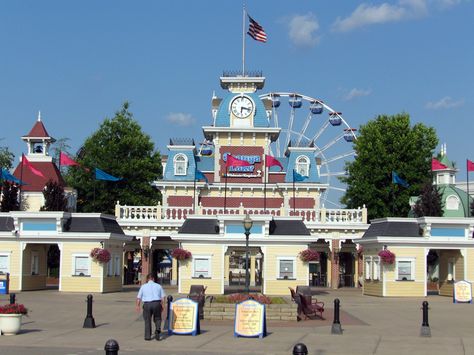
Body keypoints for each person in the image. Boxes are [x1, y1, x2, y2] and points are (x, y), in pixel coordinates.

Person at [136, 273, 166, 341]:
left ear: (147, 279)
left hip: (147, 304)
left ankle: (148, 336)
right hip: (157, 303)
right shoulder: (159, 286)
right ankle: (158, 329)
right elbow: (163, 297)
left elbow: (139, 297)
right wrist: (163, 305)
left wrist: (138, 305)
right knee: (158, 318)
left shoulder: (143, 286)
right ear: (153, 279)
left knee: (147, 319)